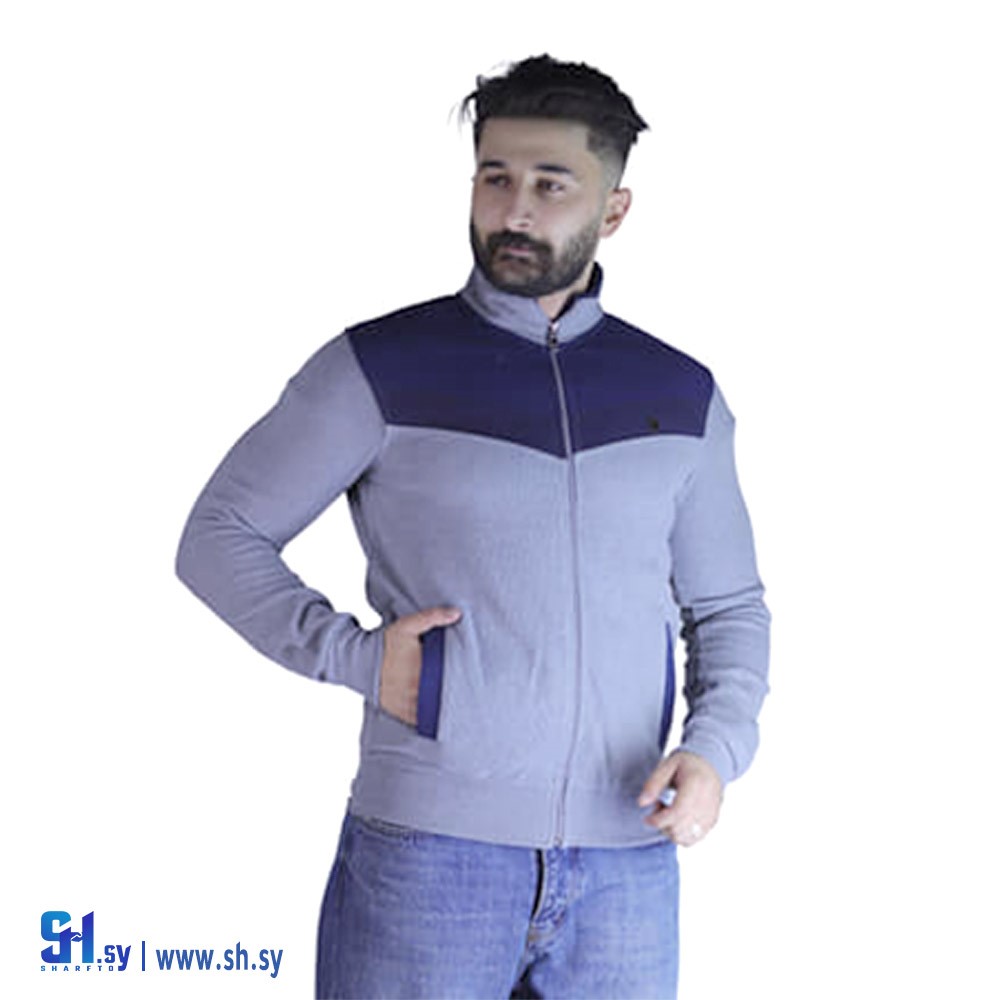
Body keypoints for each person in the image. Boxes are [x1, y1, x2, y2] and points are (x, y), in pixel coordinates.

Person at [176, 54, 770, 1000]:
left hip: (627, 865)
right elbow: (219, 534)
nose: (514, 211)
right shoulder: (380, 367)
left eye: (550, 185)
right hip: (429, 857)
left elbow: (727, 605)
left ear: (614, 209)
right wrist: (355, 658)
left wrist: (714, 749)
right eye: (495, 178)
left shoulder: (680, 393)